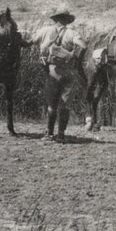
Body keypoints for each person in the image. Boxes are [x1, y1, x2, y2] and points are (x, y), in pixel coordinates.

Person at [35, 10, 86, 139]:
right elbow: (83, 46)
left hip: (53, 72)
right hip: (69, 73)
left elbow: (35, 43)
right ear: (67, 20)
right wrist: (73, 56)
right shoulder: (72, 33)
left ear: (56, 20)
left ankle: (49, 133)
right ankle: (61, 135)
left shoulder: (47, 32)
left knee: (52, 105)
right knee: (65, 106)